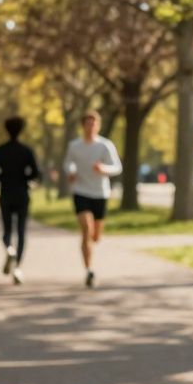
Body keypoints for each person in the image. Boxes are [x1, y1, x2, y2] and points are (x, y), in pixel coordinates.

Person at [63, 111, 123, 288]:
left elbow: (117, 167)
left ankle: (92, 246)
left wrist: (103, 168)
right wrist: (71, 172)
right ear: (83, 126)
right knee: (86, 229)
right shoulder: (74, 146)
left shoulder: (105, 145)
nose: (90, 127)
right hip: (81, 191)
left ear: (98, 126)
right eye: (87, 124)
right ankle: (89, 270)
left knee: (95, 237)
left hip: (100, 193)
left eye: (93, 123)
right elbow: (68, 163)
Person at [0, 117, 41, 284]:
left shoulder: (0, 150)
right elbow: (35, 173)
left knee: (7, 229)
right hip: (22, 193)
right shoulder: (26, 151)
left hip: (5, 193)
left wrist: (2, 176)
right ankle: (17, 267)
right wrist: (25, 178)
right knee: (21, 231)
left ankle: (9, 248)